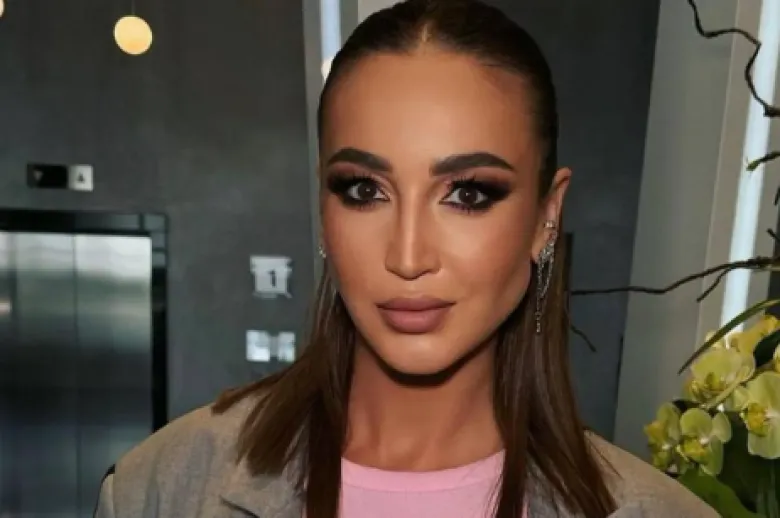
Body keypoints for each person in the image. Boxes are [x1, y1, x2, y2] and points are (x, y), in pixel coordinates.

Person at [94, 1, 718, 517]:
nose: (408, 255)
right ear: (324, 207)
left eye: (468, 194)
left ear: (545, 217)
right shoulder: (162, 487)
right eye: (364, 190)